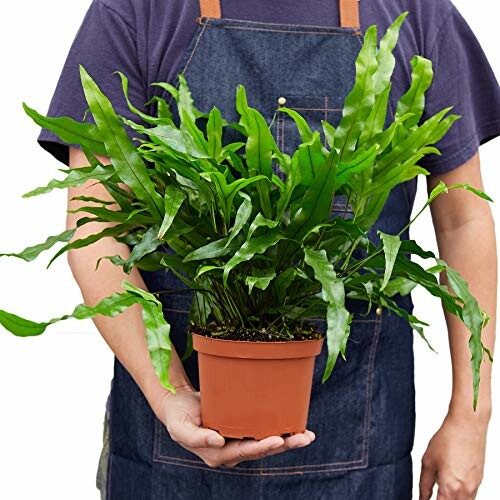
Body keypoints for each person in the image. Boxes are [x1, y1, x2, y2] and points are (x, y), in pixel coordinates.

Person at [37, 0, 500, 498]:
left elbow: (462, 220)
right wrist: (169, 393)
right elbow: (95, 226)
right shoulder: (141, 9)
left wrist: (471, 418)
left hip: (356, 440)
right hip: (170, 442)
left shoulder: (416, 12)